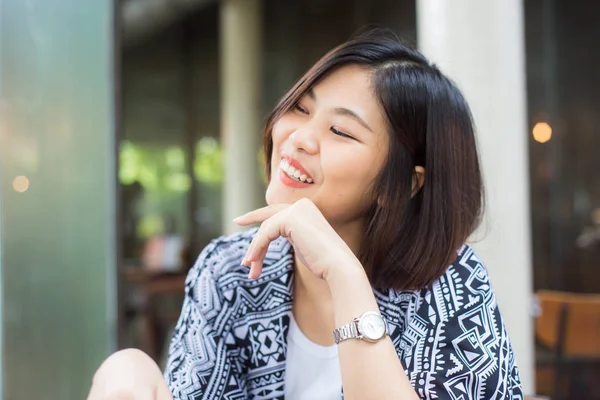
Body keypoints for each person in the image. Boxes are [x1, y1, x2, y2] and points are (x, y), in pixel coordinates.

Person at [88, 31, 523, 400]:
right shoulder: (230, 272)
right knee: (126, 368)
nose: (298, 138)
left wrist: (345, 277)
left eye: (340, 131)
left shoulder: (451, 284)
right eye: (300, 108)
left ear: (406, 185)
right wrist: (128, 371)